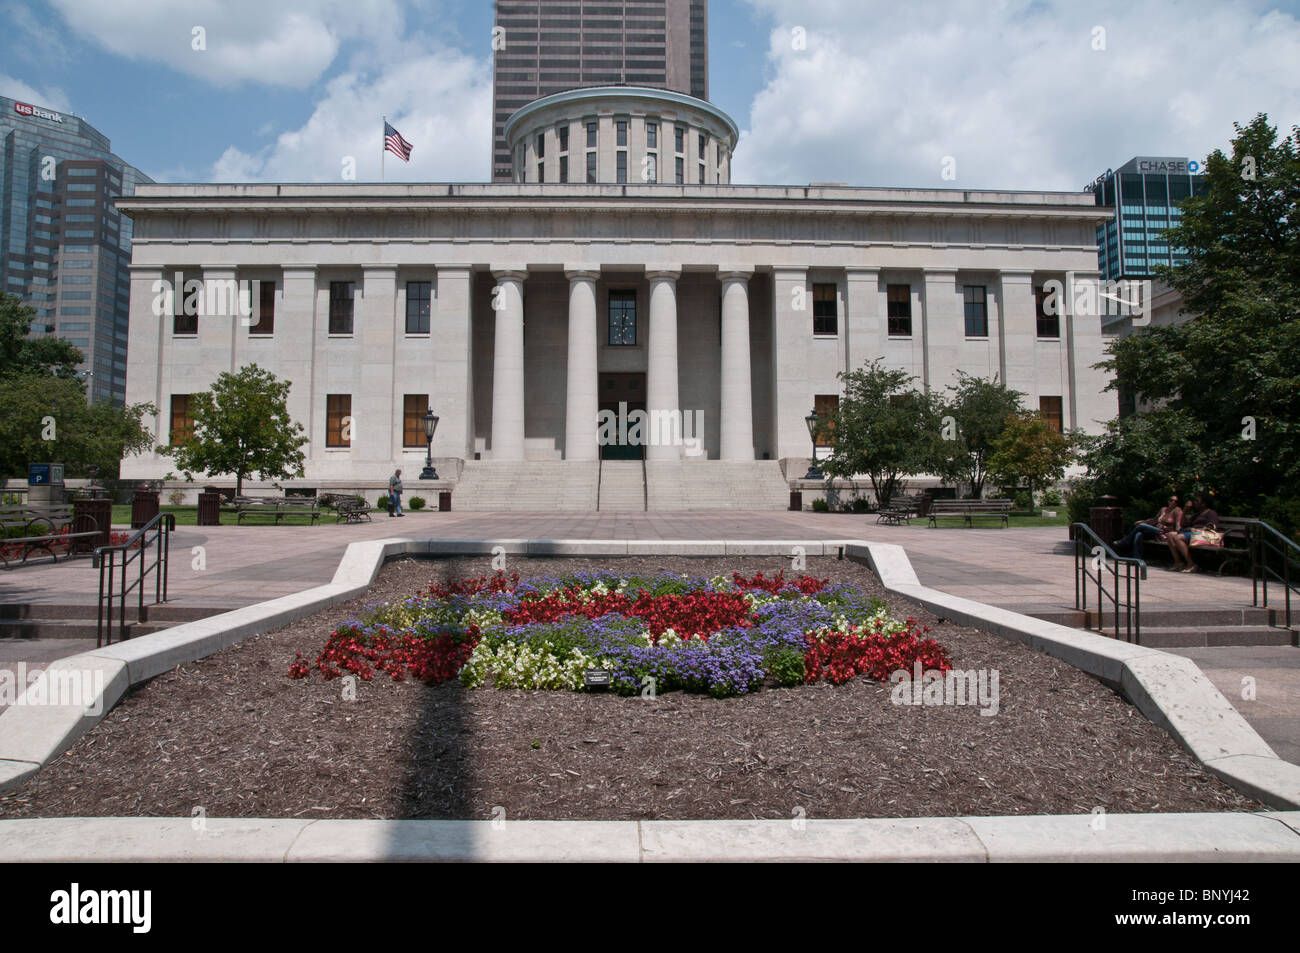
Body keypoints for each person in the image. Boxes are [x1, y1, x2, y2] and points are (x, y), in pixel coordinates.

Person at [1114, 494, 1182, 557]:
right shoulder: (1163, 509)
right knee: (1139, 534)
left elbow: (1178, 524)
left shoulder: (1177, 510)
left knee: (1141, 526)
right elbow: (1154, 520)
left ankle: (1125, 542)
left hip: (1164, 533)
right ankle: (1137, 558)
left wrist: (1176, 532)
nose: (1173, 502)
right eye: (1171, 500)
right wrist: (1143, 521)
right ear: (1168, 501)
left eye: (1175, 501)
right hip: (1156, 531)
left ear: (1177, 503)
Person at [1168, 492, 1221, 573]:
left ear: (1204, 503)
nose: (1194, 502)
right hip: (1192, 534)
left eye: (1197, 501)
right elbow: (1183, 524)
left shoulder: (1211, 513)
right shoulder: (1197, 515)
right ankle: (1178, 563)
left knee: (1178, 537)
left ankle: (1191, 564)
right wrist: (1185, 510)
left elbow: (1212, 528)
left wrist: (1195, 530)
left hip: (1203, 536)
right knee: (1170, 535)